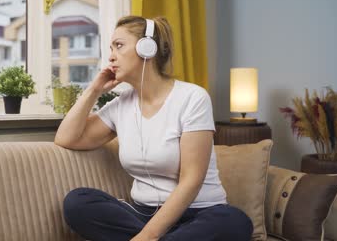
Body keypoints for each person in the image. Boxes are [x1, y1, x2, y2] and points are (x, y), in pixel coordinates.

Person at [54, 16, 253, 241]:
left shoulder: (192, 98)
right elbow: (66, 139)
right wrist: (94, 89)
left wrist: (148, 236)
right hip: (142, 214)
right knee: (78, 202)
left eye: (119, 46)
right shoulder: (120, 105)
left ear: (147, 48)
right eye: (110, 48)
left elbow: (192, 180)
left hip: (200, 214)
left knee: (234, 222)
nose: (110, 56)